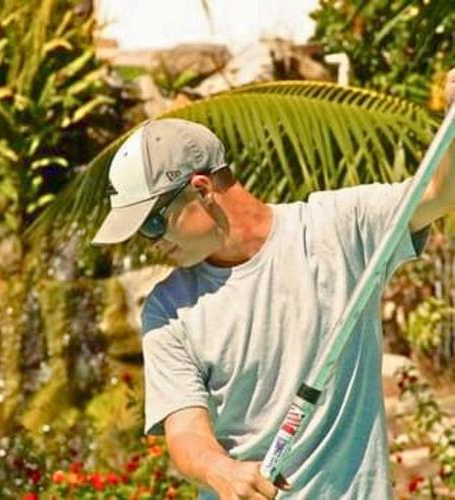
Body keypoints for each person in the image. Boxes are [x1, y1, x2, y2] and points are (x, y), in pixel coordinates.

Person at [92, 71, 455, 499]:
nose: (150, 243)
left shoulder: (336, 228)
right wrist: (219, 469)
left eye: (153, 223)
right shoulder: (168, 308)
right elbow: (185, 429)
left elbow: (440, 193)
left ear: (202, 190)